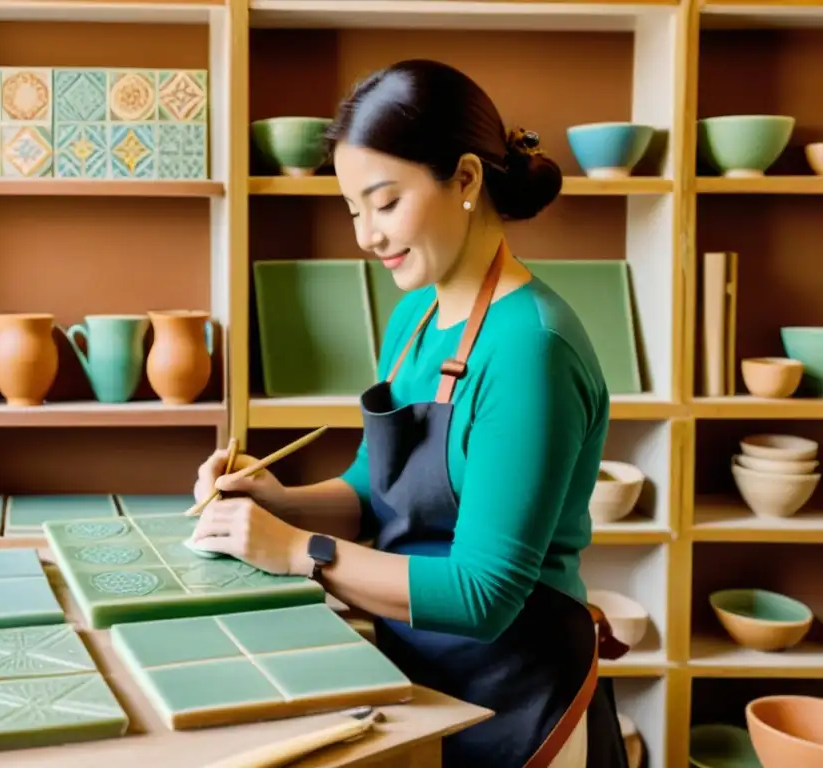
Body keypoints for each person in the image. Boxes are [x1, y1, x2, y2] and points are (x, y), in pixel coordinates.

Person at [191, 59, 630, 768]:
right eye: (354, 210)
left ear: (464, 179)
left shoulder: (531, 349)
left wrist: (296, 552)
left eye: (385, 202)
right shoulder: (413, 319)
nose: (366, 235)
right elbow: (375, 491)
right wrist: (276, 502)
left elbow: (483, 595)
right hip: (424, 681)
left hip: (520, 702)